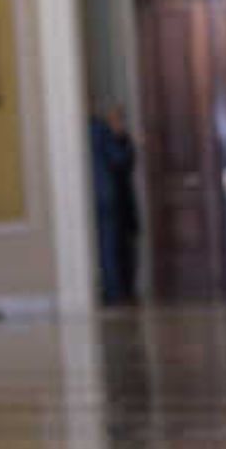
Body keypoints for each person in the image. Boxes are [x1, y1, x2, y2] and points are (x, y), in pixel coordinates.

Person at [90, 108, 141, 304]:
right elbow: (119, 159)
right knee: (109, 247)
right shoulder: (101, 129)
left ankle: (110, 289)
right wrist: (127, 141)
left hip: (93, 196)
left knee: (105, 246)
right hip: (107, 196)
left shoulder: (87, 127)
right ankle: (114, 292)